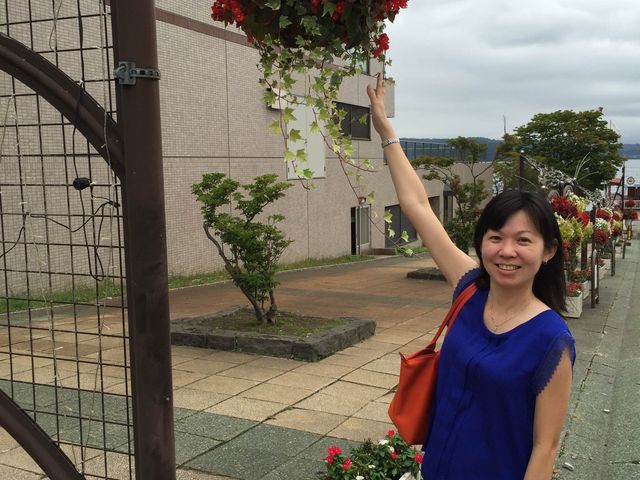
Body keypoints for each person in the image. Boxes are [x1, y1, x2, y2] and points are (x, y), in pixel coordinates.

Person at [367, 73, 575, 480]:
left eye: (523, 240)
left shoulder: (552, 340)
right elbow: (418, 207)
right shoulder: (469, 287)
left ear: (548, 251)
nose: (507, 251)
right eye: (496, 237)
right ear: (482, 243)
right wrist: (386, 131)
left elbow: (545, 449)